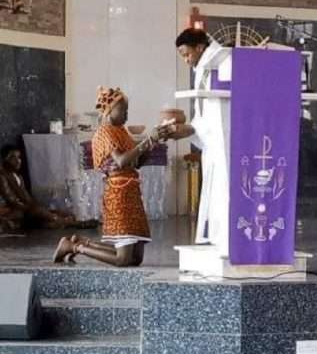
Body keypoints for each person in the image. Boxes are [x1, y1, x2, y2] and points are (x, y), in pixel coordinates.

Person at [52, 87, 169, 266]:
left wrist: (153, 142)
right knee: (122, 259)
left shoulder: (121, 131)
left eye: (127, 111)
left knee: (135, 259)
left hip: (130, 192)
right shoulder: (105, 132)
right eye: (123, 111)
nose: (126, 116)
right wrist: (147, 141)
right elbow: (121, 161)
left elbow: (135, 163)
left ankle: (82, 243)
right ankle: (73, 247)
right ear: (108, 110)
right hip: (118, 194)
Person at [174, 28, 231, 253]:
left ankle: (227, 239)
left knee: (224, 189)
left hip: (226, 141)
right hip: (213, 144)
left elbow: (221, 110)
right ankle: (218, 238)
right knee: (215, 190)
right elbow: (205, 113)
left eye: (187, 54)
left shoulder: (224, 61)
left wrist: (190, 129)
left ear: (200, 47)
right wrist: (190, 128)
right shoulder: (204, 67)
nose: (187, 60)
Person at [0, 144, 97, 231]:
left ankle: (65, 222)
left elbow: (26, 197)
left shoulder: (19, 177)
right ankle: (76, 224)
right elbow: (11, 200)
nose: (18, 161)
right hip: (14, 210)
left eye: (19, 157)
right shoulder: (3, 176)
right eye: (13, 158)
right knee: (41, 212)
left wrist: (38, 207)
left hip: (26, 209)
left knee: (56, 215)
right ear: (5, 160)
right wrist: (31, 208)